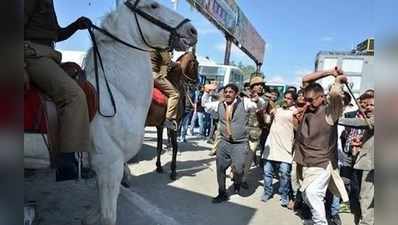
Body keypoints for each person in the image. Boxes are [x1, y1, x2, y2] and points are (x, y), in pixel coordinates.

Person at [24, 0, 92, 181]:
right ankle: (67, 162)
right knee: (74, 96)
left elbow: (56, 34)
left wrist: (76, 26)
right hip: (32, 54)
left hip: (49, 54)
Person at [293, 69, 349, 225]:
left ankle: (321, 222)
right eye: (306, 100)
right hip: (304, 160)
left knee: (312, 192)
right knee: (305, 194)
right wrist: (330, 71)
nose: (308, 104)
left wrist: (338, 81)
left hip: (322, 162)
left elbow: (336, 96)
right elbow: (306, 78)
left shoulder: (329, 112)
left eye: (311, 100)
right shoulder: (307, 107)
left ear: (322, 97)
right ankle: (316, 220)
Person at [202, 83, 266, 203]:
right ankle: (222, 193)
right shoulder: (219, 105)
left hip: (240, 144)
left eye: (231, 92)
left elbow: (260, 106)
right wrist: (206, 92)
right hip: (224, 142)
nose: (227, 94)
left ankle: (237, 182)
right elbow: (204, 104)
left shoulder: (245, 103)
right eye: (226, 92)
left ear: (236, 94)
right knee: (220, 168)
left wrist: (258, 100)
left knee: (238, 169)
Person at [339, 93, 375, 225]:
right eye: (367, 105)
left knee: (366, 198)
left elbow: (361, 123)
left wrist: (337, 119)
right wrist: (361, 142)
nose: (368, 108)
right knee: (362, 199)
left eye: (373, 105)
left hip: (371, 167)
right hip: (364, 164)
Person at [261, 90, 297, 208]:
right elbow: (266, 120)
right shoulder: (277, 110)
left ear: (293, 101)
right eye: (285, 97)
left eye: (289, 98)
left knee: (284, 174)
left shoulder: (295, 112)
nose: (286, 100)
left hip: (285, 149)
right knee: (267, 173)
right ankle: (267, 192)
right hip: (271, 147)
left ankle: (284, 195)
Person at [241, 75, 269, 189]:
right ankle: (235, 171)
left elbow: (268, 113)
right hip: (241, 131)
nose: (260, 87)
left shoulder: (265, 100)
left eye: (262, 85)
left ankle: (243, 179)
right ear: (252, 86)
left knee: (249, 157)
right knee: (238, 156)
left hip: (255, 133)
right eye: (258, 85)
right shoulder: (243, 97)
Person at [151, 49, 181, 131]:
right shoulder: (161, 46)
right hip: (154, 75)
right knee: (175, 94)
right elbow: (168, 62)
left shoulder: (148, 45)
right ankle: (169, 119)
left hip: (143, 73)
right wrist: (177, 64)